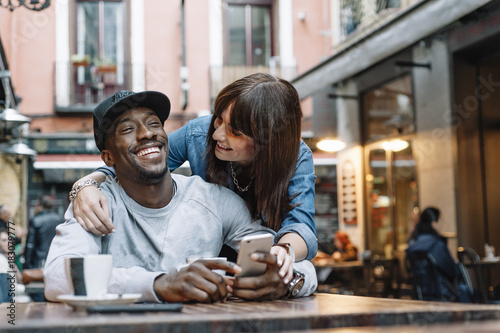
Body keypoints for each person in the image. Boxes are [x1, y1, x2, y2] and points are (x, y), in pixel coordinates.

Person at [44, 90, 317, 303]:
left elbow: (289, 256)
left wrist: (287, 280)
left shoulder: (217, 201)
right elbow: (57, 276)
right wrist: (159, 284)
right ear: (108, 156)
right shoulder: (95, 203)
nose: (147, 133)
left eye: (154, 124)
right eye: (128, 129)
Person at [406, 207, 470, 302]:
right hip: (443, 293)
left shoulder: (412, 244)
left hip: (422, 294)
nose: (442, 224)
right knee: (466, 290)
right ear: (434, 223)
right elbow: (452, 272)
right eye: (441, 221)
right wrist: (455, 264)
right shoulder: (437, 244)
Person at [24, 195, 63, 269]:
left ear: (40, 206)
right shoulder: (60, 219)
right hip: (56, 258)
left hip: (39, 260)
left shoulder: (35, 220)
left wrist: (27, 263)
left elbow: (30, 244)